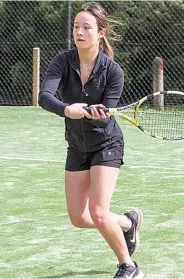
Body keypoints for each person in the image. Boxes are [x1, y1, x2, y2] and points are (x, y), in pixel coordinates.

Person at [38, 2, 143, 278]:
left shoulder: (113, 72)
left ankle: (128, 265)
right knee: (79, 218)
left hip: (106, 145)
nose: (80, 32)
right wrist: (66, 108)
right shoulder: (62, 61)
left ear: (101, 33)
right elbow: (44, 96)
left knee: (98, 211)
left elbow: (106, 112)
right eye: (76, 27)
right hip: (76, 146)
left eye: (87, 27)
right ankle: (127, 223)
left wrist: (94, 113)